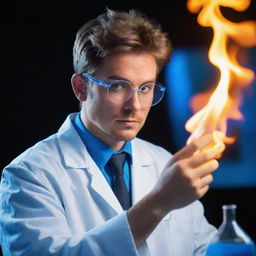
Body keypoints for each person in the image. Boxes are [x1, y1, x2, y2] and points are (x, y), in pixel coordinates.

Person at [0, 8, 224, 256]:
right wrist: (160, 202)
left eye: (145, 88)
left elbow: (202, 247)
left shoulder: (164, 163)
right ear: (80, 88)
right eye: (118, 86)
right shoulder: (29, 175)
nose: (135, 106)